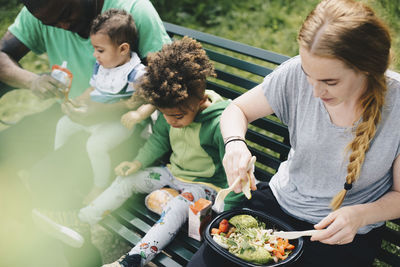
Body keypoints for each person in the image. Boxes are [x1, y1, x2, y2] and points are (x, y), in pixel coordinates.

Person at [188, 0, 400, 266]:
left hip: (343, 233)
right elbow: (237, 110)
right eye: (308, 75)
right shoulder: (295, 74)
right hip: (278, 204)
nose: (314, 92)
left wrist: (359, 216)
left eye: (330, 82)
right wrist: (234, 144)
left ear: (367, 68)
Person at [33, 36, 245, 267]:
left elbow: (235, 171)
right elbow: (159, 140)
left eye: (178, 116)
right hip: (173, 174)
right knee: (128, 179)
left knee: (176, 208)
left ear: (200, 99)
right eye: (165, 115)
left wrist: (227, 211)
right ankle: (81, 219)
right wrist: (137, 163)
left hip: (205, 187)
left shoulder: (220, 122)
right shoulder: (171, 108)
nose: (171, 121)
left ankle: (133, 260)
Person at [54, 9, 155, 204]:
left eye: (100, 50)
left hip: (118, 124)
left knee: (95, 145)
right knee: (63, 124)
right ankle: (59, 164)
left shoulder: (136, 73)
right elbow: (94, 87)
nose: (95, 55)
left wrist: (137, 114)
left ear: (123, 49)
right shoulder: (101, 66)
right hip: (95, 116)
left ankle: (99, 186)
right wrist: (77, 101)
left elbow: (152, 98)